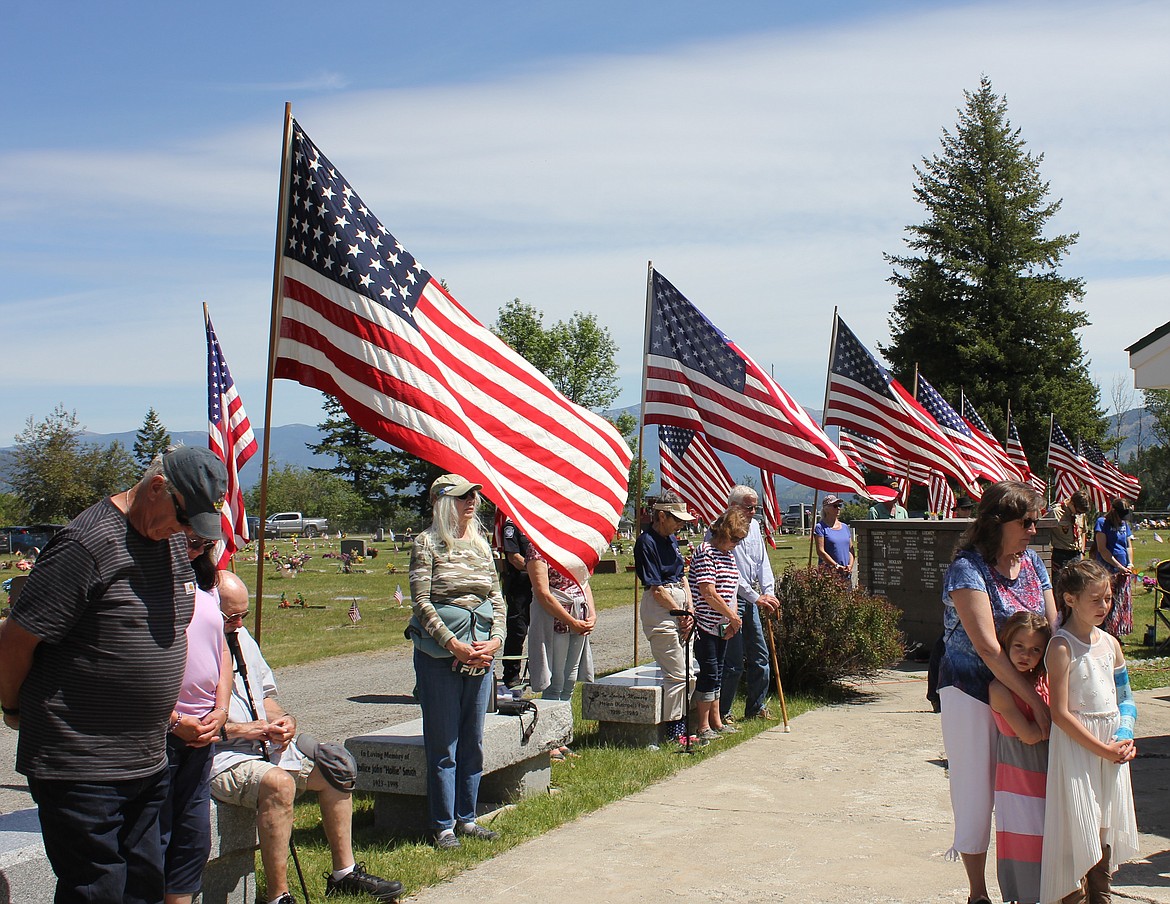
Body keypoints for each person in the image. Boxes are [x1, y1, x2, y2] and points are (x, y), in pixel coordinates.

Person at [0, 445, 227, 904]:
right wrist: (11, 706)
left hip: (147, 754)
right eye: (183, 520)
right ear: (157, 488)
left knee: (145, 883)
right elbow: (16, 640)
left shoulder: (168, 546)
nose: (185, 534)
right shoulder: (87, 544)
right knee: (97, 888)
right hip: (81, 759)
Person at [211, 571, 403, 904]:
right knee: (279, 784)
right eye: (231, 616)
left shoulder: (242, 638)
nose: (240, 623)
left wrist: (285, 720)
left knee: (336, 765)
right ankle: (278, 896)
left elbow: (265, 698)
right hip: (222, 756)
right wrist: (248, 730)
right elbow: (193, 726)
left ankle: (344, 873)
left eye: (244, 614)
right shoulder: (191, 648)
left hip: (264, 745)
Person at [937, 480, 1058, 904]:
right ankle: (978, 893)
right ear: (997, 521)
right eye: (1026, 521)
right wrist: (1039, 702)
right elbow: (988, 647)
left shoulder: (1033, 565)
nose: (1034, 528)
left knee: (1026, 788)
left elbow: (1052, 628)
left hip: (1026, 692)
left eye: (1036, 520)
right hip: (970, 693)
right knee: (975, 789)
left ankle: (1035, 880)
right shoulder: (967, 569)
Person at [407, 474, 506, 850]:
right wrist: (452, 644)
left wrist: (495, 640)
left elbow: (496, 598)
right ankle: (443, 824)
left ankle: (468, 817)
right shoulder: (426, 544)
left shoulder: (481, 545)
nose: (472, 503)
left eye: (475, 496)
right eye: (464, 497)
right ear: (444, 502)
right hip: (439, 656)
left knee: (473, 739)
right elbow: (422, 601)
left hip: (481, 654)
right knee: (443, 741)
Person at [1040, 560, 1139, 904]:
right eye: (1095, 600)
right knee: (1078, 824)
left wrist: (1124, 737)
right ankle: (1074, 894)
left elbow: (1126, 697)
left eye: (1108, 598)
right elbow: (1061, 713)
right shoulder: (1061, 647)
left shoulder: (1110, 644)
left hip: (1111, 746)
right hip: (1079, 748)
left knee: (1105, 824)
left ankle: (1102, 893)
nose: (1104, 607)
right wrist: (1102, 748)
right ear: (1069, 599)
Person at [161, 538, 233, 904]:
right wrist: (175, 721)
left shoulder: (206, 585)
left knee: (192, 838)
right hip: (162, 730)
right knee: (154, 837)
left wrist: (220, 712)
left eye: (205, 544)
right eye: (190, 541)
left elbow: (220, 649)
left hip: (205, 730)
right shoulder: (150, 578)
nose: (195, 549)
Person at [989, 611, 1052, 904]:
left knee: (1047, 836)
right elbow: (1027, 734)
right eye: (1019, 647)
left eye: (1035, 649)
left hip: (1048, 772)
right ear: (1005, 644)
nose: (1027, 655)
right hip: (1018, 778)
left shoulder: (1045, 683)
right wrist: (1048, 726)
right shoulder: (999, 688)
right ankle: (1025, 895)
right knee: (1024, 836)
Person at [633, 491, 697, 743]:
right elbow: (655, 587)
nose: (680, 524)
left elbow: (682, 575)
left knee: (689, 672)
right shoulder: (646, 542)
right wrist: (679, 612)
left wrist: (689, 608)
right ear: (661, 516)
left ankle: (682, 724)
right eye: (676, 519)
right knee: (676, 672)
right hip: (661, 609)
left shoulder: (671, 540)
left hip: (679, 604)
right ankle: (674, 730)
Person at [718, 486, 779, 724]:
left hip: (753, 599)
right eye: (748, 506)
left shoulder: (754, 528)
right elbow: (732, 573)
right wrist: (756, 596)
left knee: (760, 656)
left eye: (755, 507)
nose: (753, 511)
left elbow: (762, 562)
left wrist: (769, 592)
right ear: (733, 505)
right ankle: (723, 711)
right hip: (730, 601)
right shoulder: (722, 529)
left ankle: (756, 707)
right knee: (732, 662)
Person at [689, 508, 750, 742]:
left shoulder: (728, 555)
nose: (736, 543)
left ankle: (717, 721)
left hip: (723, 624)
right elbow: (708, 593)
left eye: (739, 540)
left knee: (719, 673)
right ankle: (703, 726)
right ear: (723, 532)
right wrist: (732, 617)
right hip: (705, 624)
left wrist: (732, 619)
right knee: (709, 672)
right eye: (734, 538)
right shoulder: (706, 552)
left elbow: (732, 589)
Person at [525, 543, 596, 701]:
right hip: (555, 621)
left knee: (570, 679)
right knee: (555, 682)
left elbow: (584, 583)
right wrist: (570, 621)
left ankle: (566, 722)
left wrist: (592, 613)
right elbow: (542, 592)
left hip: (578, 617)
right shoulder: (537, 547)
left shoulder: (572, 542)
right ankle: (553, 722)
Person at [1094, 498, 1138, 638]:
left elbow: (1128, 545)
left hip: (1123, 569)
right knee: (1108, 602)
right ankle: (1105, 631)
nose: (1122, 519)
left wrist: (1129, 564)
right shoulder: (1102, 523)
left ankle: (1117, 633)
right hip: (1108, 569)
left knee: (1121, 602)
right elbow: (1102, 549)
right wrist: (1118, 566)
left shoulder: (1124, 524)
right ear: (1113, 511)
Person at [498, 517, 533, 689]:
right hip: (520, 585)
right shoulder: (512, 525)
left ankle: (538, 671)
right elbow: (514, 558)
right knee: (517, 631)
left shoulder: (538, 521)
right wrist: (537, 570)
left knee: (541, 630)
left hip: (540, 585)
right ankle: (511, 674)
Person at [813, 494, 854, 582]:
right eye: (835, 506)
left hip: (846, 574)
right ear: (826, 509)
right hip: (829, 574)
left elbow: (851, 550)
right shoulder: (820, 527)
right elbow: (820, 551)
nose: (838, 508)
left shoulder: (845, 527)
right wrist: (836, 566)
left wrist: (850, 565)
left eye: (839, 506)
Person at [1051, 488, 1091, 572]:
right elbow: (1045, 533)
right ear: (1072, 503)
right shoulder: (1056, 512)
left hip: (1077, 554)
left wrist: (1082, 553)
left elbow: (1083, 532)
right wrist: (1050, 559)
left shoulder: (1081, 513)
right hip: (1061, 554)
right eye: (1078, 512)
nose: (1079, 514)